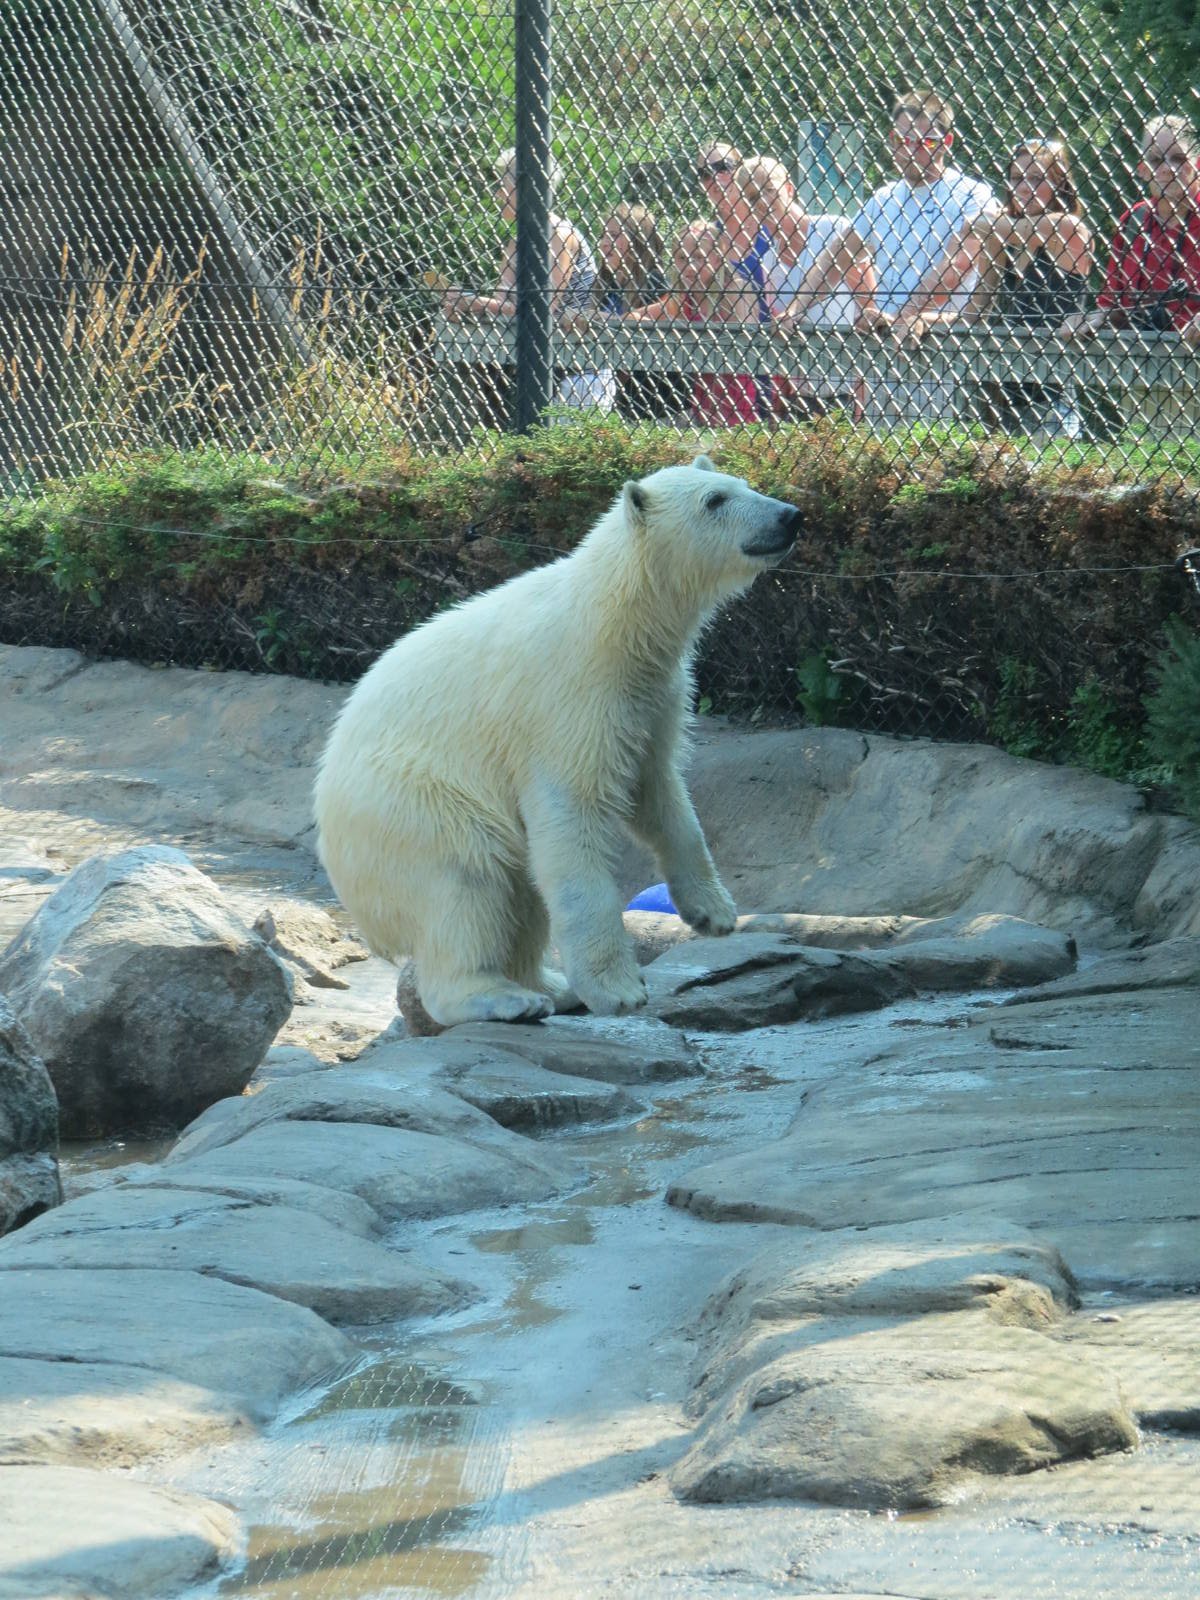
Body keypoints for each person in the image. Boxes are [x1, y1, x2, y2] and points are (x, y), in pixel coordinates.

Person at [775, 89, 999, 421]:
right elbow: (837, 256)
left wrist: (903, 315)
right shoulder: (884, 199)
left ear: (946, 142)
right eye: (901, 140)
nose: (910, 150)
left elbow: (956, 266)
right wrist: (796, 309)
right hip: (886, 349)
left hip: (942, 347)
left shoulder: (972, 194)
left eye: (925, 142)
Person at [894, 138, 1093, 435]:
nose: (1024, 187)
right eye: (1017, 178)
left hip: (1052, 397)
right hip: (1003, 392)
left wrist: (977, 223)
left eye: (1037, 178)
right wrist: (926, 319)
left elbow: (1013, 229)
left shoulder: (1068, 227)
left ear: (1059, 183)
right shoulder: (1000, 234)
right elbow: (976, 310)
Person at [442, 148, 616, 417]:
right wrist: (466, 305)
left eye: (503, 184)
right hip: (539, 367)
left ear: (527, 186)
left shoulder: (558, 233)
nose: (497, 193)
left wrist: (475, 302)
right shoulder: (517, 241)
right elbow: (505, 303)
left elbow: (542, 309)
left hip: (579, 371)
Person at [730, 154, 877, 418]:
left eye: (769, 191)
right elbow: (783, 332)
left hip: (848, 389)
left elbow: (868, 310)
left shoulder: (834, 231)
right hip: (803, 396)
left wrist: (861, 399)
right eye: (752, 198)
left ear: (788, 188)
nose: (762, 202)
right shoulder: (769, 260)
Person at [1060, 115, 1200, 346]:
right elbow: (1114, 306)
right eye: (1156, 160)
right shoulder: (1133, 221)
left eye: (1179, 158)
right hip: (1139, 360)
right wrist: (1092, 319)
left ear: (1196, 164)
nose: (1167, 168)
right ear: (1143, 170)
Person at [625, 219, 761, 425]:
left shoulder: (736, 290)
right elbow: (635, 317)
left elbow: (741, 345)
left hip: (735, 404)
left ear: (717, 258)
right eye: (681, 258)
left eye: (698, 257)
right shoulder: (683, 297)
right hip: (702, 405)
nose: (689, 266)